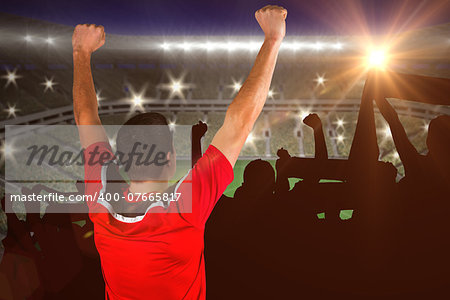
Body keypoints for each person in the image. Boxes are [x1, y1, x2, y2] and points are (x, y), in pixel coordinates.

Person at [72, 5, 287, 299]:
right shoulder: (181, 210)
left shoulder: (101, 201)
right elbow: (239, 121)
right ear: (170, 160)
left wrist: (80, 53)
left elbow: (86, 117)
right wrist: (273, 39)